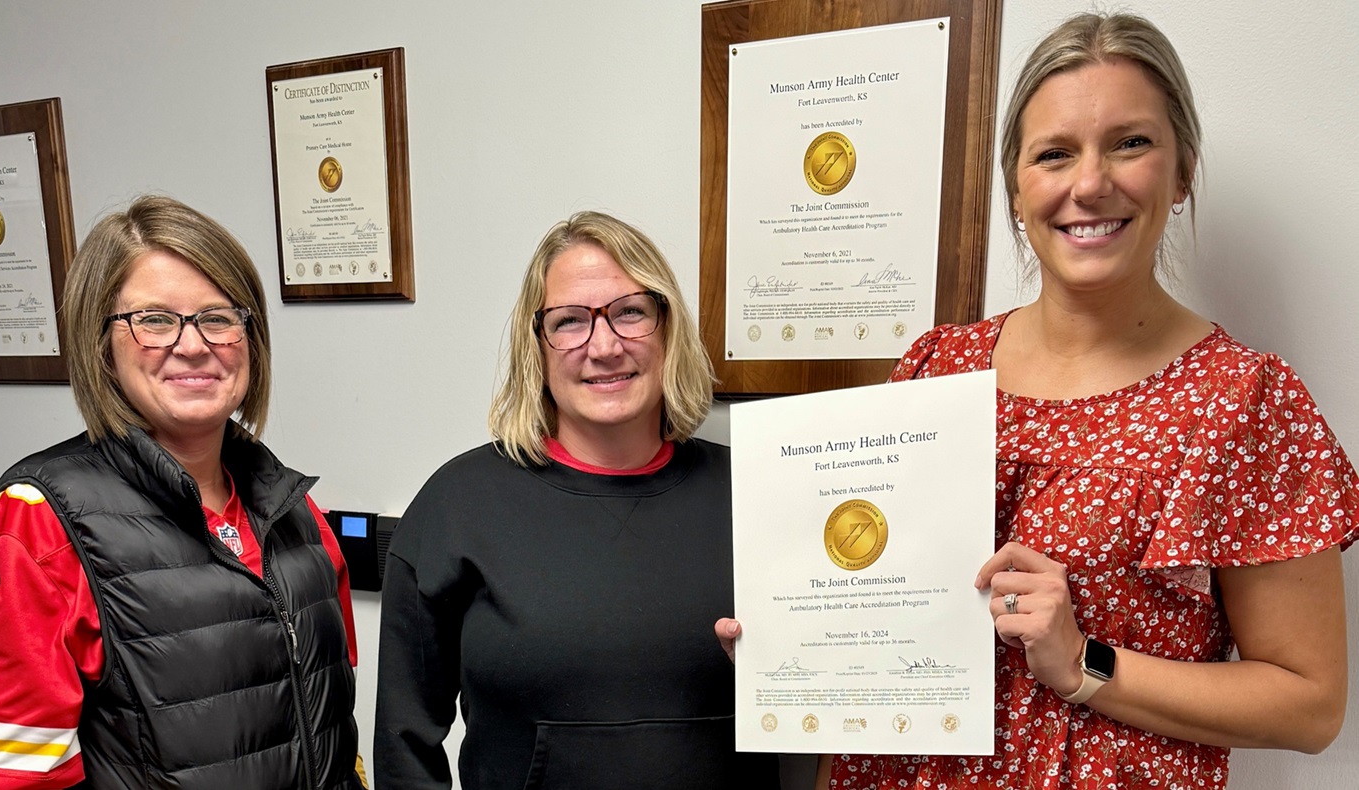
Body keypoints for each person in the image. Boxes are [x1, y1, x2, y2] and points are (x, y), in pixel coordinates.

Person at [721, 12, 1357, 789]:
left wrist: (1082, 662)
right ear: (1016, 188)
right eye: (1053, 153)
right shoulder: (936, 368)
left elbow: (1309, 705)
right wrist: (800, 644)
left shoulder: (1241, 399)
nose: (1088, 184)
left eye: (1130, 143)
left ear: (1182, 170)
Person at [0, 196, 363, 789]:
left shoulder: (296, 514)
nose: (193, 345)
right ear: (101, 346)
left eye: (218, 316)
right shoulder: (32, 530)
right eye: (153, 320)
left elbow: (335, 739)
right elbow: (3, 779)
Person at [375, 211, 779, 789]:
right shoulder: (458, 506)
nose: (605, 346)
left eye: (630, 312)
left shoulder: (758, 493)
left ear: (667, 329)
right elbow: (403, 747)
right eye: (570, 322)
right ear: (535, 346)